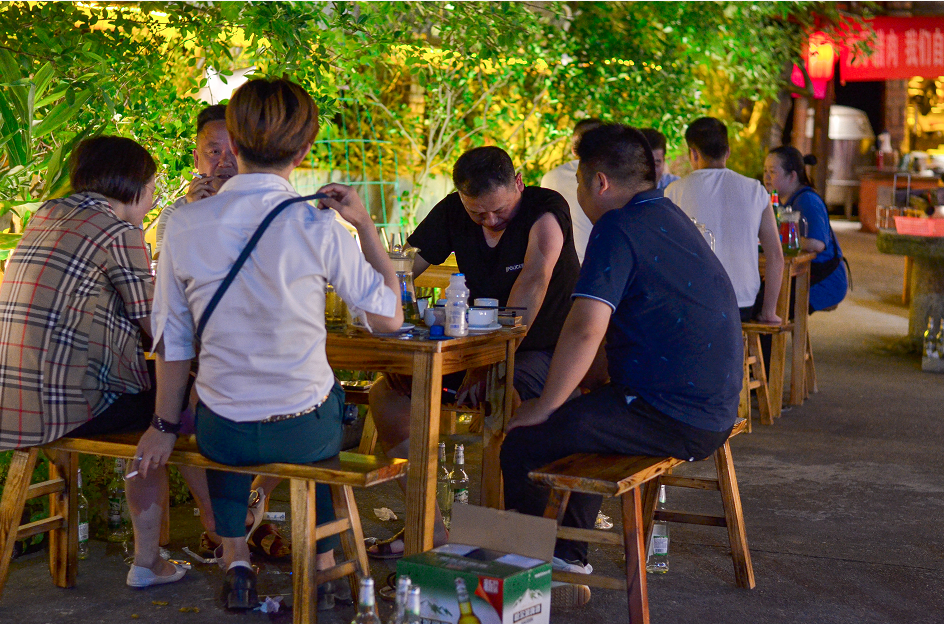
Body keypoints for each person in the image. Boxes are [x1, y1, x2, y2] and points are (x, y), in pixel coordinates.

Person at [136, 78, 402, 610]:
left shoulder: (183, 225)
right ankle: (323, 567)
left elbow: (173, 341)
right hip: (303, 431)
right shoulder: (317, 224)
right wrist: (365, 226)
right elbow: (389, 320)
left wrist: (164, 426)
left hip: (223, 434)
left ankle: (237, 561)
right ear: (305, 151)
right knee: (328, 415)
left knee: (222, 408)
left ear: (231, 145)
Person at [500, 123, 743, 609]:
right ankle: (568, 556)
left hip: (673, 413)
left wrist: (545, 404)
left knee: (523, 441)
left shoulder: (617, 226)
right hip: (712, 406)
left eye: (579, 180)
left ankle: (527, 581)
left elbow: (586, 326)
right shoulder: (668, 215)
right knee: (588, 418)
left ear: (600, 182)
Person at [367, 145, 581, 557]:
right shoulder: (451, 212)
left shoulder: (546, 210)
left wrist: (489, 359)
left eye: (499, 210)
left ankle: (506, 542)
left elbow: (533, 281)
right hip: (476, 348)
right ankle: (430, 530)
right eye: (477, 214)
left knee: (503, 396)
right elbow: (404, 271)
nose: (491, 221)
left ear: (518, 183)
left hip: (542, 348)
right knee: (387, 395)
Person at [0, 136, 190, 588]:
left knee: (168, 396)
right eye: (153, 183)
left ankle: (157, 557)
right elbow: (159, 327)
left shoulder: (47, 214)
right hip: (66, 409)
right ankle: (217, 542)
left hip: (16, 403)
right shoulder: (117, 231)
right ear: (133, 184)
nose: (155, 194)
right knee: (185, 401)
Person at [665, 117, 783, 324]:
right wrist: (768, 312)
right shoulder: (756, 190)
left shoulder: (674, 192)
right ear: (727, 151)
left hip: (693, 304)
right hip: (742, 305)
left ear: (693, 153)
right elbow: (775, 256)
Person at [763, 146, 847, 312]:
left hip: (825, 281)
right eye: (765, 170)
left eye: (772, 172)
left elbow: (816, 244)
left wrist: (778, 239)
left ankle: (771, 335)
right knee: (760, 294)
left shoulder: (807, 200)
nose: (766, 177)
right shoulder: (780, 200)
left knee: (765, 303)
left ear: (792, 176)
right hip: (801, 274)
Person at [153, 104, 237, 256]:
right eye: (215, 152)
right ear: (197, 159)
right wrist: (193, 214)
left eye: (233, 152)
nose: (225, 161)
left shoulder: (259, 207)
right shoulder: (175, 214)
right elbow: (162, 269)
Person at [541, 118, 603, 263]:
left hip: (564, 267)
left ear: (573, 149)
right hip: (605, 264)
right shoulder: (617, 176)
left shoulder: (551, 178)